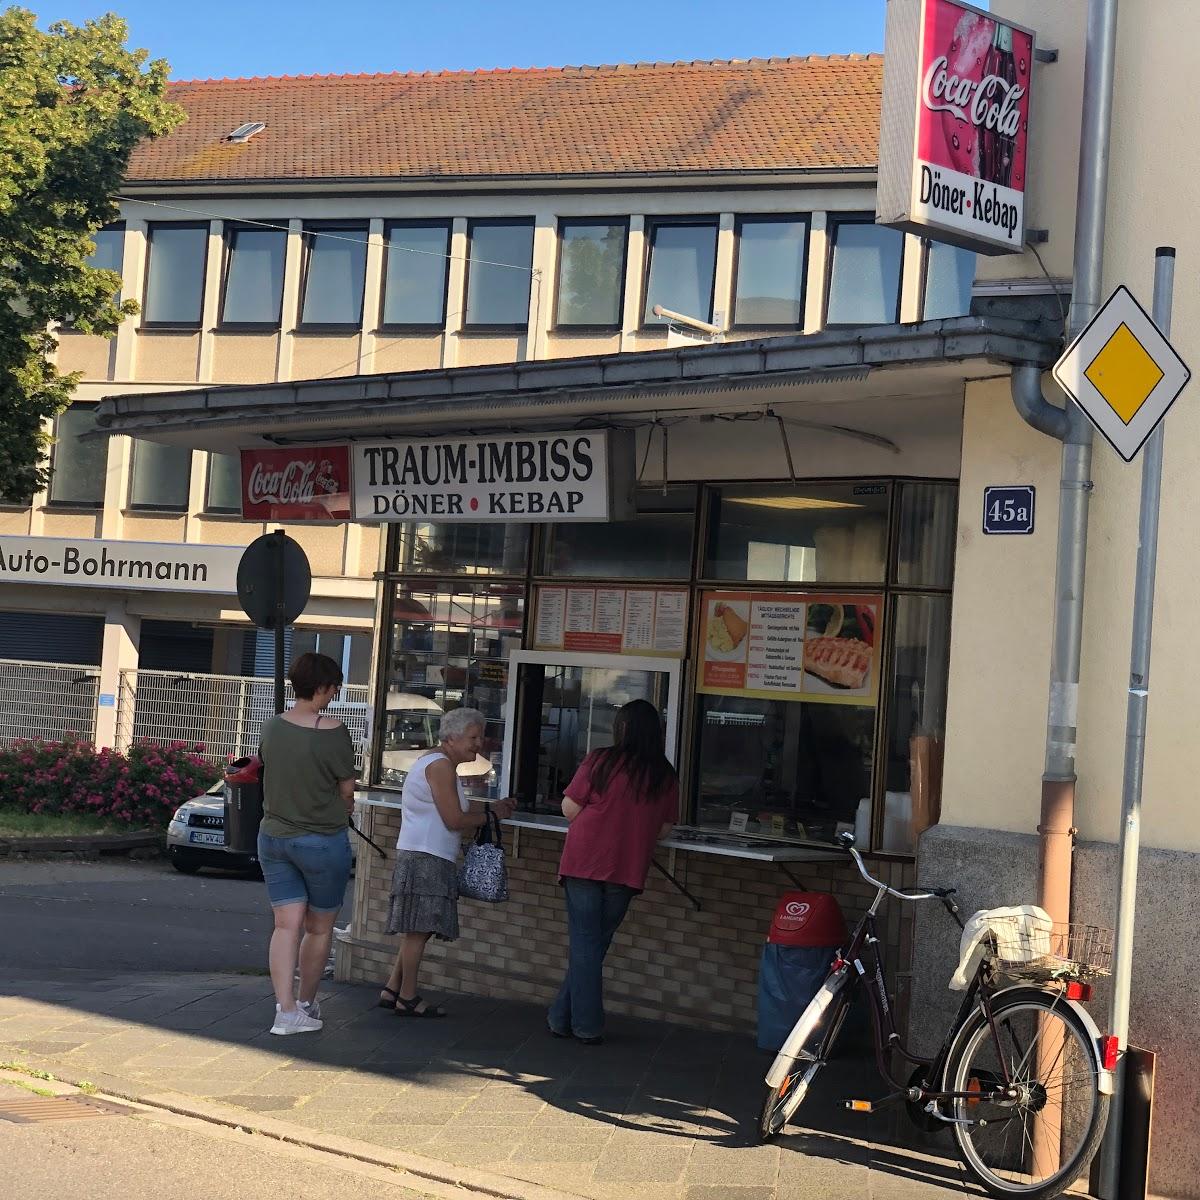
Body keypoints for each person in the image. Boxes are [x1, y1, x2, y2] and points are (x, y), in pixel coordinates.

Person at [549, 698, 679, 1044]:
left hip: (584, 860)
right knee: (594, 943)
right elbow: (665, 829)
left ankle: (584, 1025)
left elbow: (568, 809)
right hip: (627, 866)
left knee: (586, 944)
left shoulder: (601, 760)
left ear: (621, 728)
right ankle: (562, 1019)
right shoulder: (664, 774)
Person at [380, 707, 515, 1017]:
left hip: (426, 854)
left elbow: (449, 812)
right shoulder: (440, 766)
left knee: (418, 929)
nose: (479, 743)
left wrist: (489, 809)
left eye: (480, 736)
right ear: (451, 737)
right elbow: (454, 819)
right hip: (426, 857)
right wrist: (494, 814)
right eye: (473, 737)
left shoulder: (437, 763)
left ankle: (392, 988)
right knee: (418, 930)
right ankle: (408, 997)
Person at [257, 652, 357, 1036]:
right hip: (321, 841)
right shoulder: (333, 731)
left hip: (274, 838)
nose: (334, 695)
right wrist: (344, 800)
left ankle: (284, 1011)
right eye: (334, 688)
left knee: (285, 926)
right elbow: (346, 788)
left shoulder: (272, 726)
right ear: (322, 688)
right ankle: (307, 1005)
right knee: (318, 928)